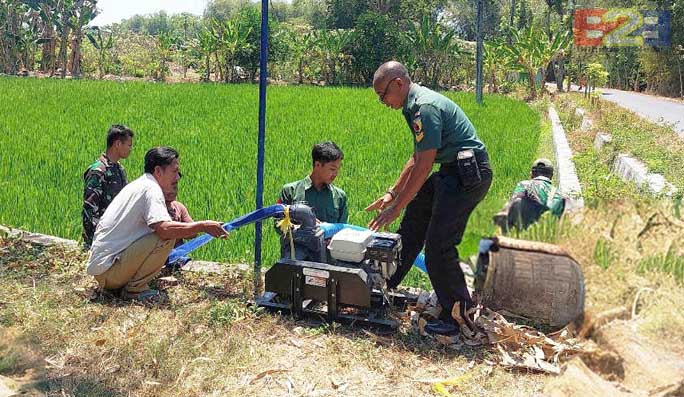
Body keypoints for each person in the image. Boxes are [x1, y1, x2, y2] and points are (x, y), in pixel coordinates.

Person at [366, 61, 493, 336]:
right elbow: (416, 158)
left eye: (382, 94)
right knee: (414, 222)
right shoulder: (411, 107)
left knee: (439, 245)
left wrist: (396, 207)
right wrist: (393, 194)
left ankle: (458, 315)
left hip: (468, 175)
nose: (382, 101)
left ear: (398, 84)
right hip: (451, 171)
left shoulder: (424, 107)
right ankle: (385, 288)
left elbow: (425, 165)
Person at [86, 147, 228, 302]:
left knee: (165, 232)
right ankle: (134, 289)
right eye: (174, 171)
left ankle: (129, 284)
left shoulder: (141, 184)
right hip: (110, 272)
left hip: (104, 270)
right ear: (158, 171)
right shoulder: (151, 190)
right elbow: (164, 230)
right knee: (166, 237)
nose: (177, 177)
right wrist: (203, 226)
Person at [82, 124, 135, 248]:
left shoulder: (119, 169)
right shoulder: (98, 171)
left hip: (116, 236)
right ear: (118, 144)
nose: (131, 149)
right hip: (101, 240)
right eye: (129, 145)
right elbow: (89, 208)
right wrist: (95, 241)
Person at [278, 141, 348, 224]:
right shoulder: (290, 191)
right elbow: (278, 223)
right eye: (332, 169)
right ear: (318, 165)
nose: (336, 174)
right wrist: (304, 227)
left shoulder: (339, 196)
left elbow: (342, 229)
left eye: (337, 169)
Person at [493, 158, 565, 232]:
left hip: (522, 228)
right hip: (545, 232)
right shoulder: (558, 193)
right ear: (551, 176)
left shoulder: (523, 185)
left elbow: (514, 204)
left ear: (531, 174)